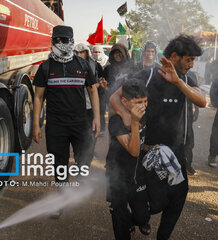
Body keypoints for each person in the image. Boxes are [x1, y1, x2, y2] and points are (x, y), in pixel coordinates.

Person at [110, 35, 206, 240]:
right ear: (173, 56)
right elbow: (114, 97)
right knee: (146, 205)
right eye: (188, 59)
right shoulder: (147, 74)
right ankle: (134, 221)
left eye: (193, 61)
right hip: (146, 152)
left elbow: (202, 101)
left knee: (178, 196)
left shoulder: (187, 79)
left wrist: (178, 82)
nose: (191, 65)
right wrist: (128, 118)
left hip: (175, 150)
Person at [32, 25, 100, 217]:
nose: (61, 44)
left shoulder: (83, 64)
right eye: (58, 40)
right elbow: (38, 97)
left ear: (71, 41)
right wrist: (36, 124)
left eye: (65, 40)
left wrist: (96, 118)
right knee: (59, 164)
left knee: (84, 159)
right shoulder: (45, 67)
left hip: (80, 123)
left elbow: (93, 90)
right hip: (56, 125)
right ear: (53, 40)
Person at [106, 80, 150, 240]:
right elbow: (133, 151)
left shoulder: (144, 114)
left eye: (145, 101)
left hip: (138, 176)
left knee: (143, 217)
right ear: (124, 102)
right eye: (138, 102)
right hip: (117, 177)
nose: (143, 106)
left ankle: (133, 221)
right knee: (119, 218)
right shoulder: (116, 121)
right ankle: (125, 226)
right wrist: (135, 122)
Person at [92, 45, 109, 135]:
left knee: (102, 109)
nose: (97, 54)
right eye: (95, 52)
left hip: (103, 91)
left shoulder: (107, 62)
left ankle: (102, 129)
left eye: (99, 52)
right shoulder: (91, 63)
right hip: (94, 90)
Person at [185, 71, 199, 176]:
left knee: (189, 139)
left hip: (187, 112)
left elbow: (196, 93)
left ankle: (188, 165)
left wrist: (196, 109)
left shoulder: (191, 75)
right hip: (171, 114)